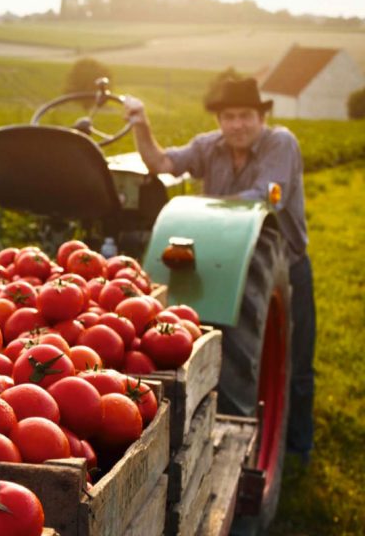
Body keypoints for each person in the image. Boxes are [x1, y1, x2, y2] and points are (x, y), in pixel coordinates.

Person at [123, 74, 315, 463]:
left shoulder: (281, 144)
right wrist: (142, 126)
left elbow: (264, 199)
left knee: (296, 357)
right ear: (219, 120)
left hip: (283, 262)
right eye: (229, 116)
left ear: (260, 117)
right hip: (224, 263)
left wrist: (203, 210)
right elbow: (162, 163)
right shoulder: (210, 146)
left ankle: (298, 444)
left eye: (246, 115)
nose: (238, 124)